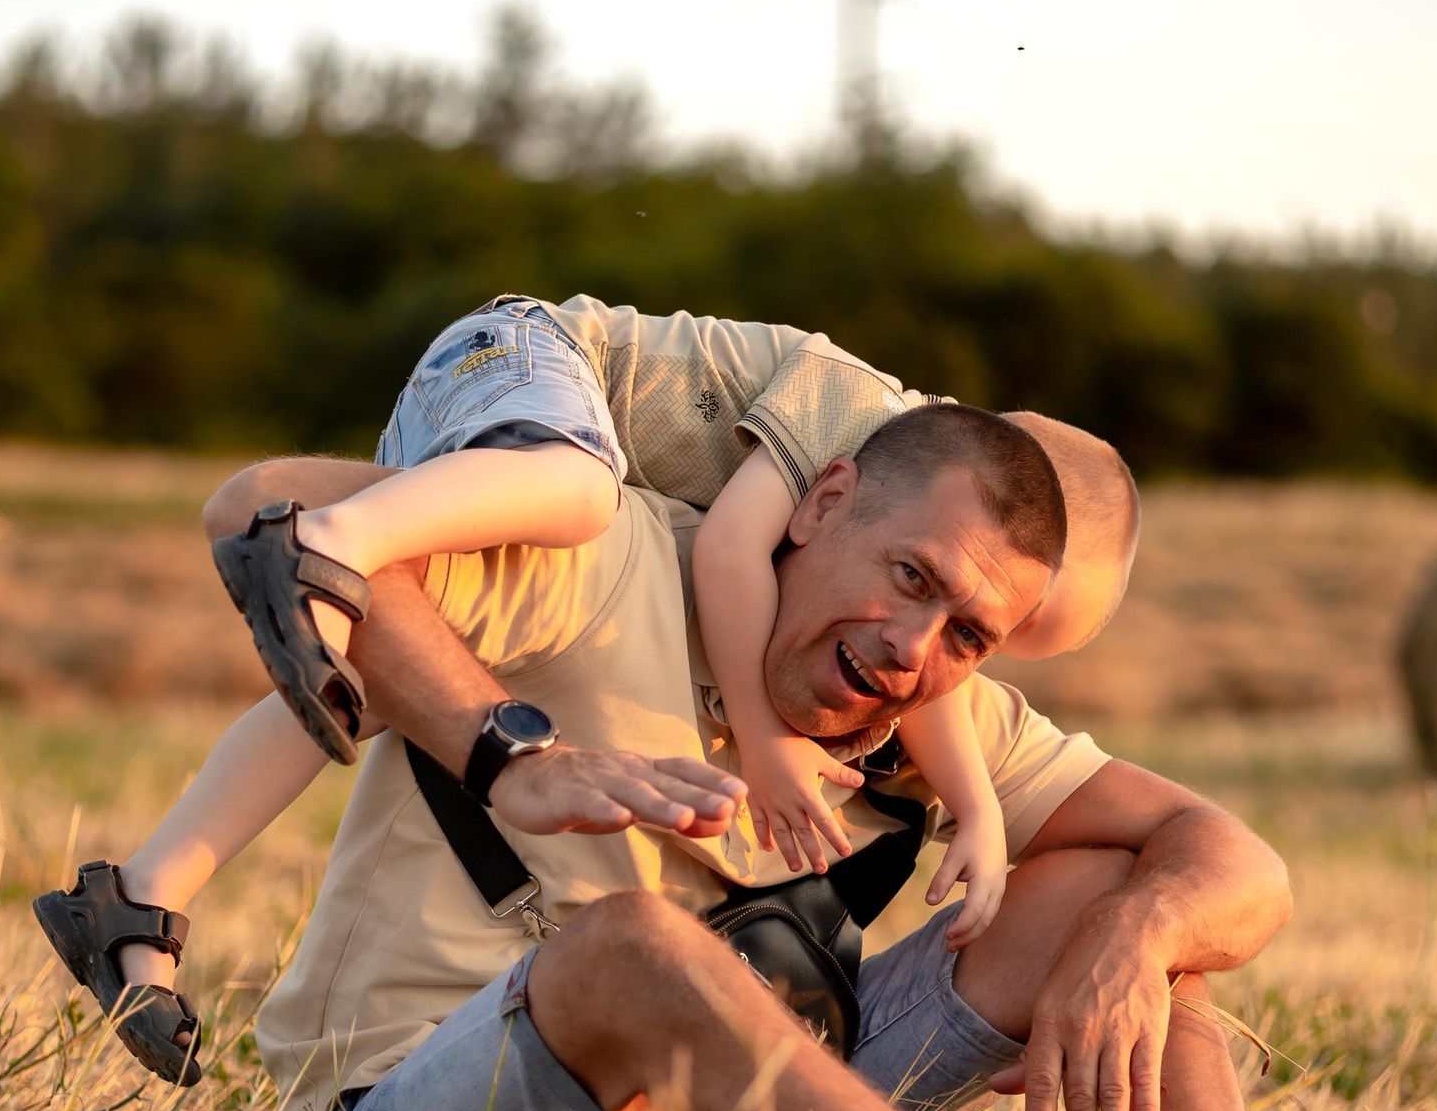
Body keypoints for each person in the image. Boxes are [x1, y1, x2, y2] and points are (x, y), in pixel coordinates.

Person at [35, 400, 1437, 1111]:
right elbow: (277, 521)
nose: (913, 647)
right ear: (822, 499)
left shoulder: (936, 721)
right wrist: (512, 747)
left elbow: (1240, 860)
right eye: (906, 577)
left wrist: (1140, 934)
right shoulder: (604, 553)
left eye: (968, 631)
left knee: (1107, 902)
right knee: (636, 954)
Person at [89, 297, 1105, 1027]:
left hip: (503, 451)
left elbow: (937, 699)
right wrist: (762, 743)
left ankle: (144, 891)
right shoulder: (857, 411)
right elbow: (725, 549)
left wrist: (976, 814)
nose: (947, 652)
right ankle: (331, 546)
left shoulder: (906, 522)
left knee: (352, 683)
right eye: (936, 592)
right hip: (521, 358)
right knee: (579, 490)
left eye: (981, 638)